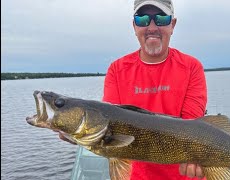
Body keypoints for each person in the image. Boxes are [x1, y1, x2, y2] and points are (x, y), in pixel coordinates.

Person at [60, 0, 208, 179]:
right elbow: (111, 126)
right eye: (143, 19)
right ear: (134, 25)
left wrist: (202, 163)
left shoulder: (191, 67)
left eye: (161, 18)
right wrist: (79, 132)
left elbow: (192, 129)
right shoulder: (117, 70)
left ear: (172, 24)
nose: (152, 27)